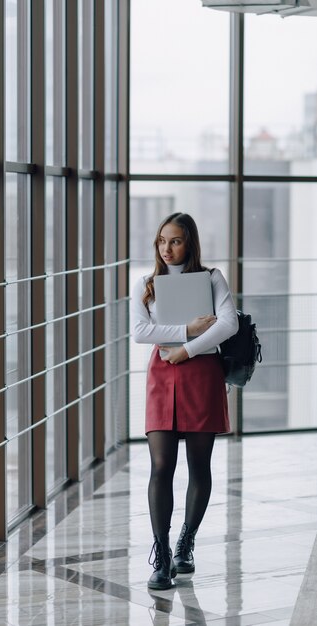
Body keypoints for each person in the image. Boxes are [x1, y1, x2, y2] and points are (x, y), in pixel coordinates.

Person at [131, 212, 238, 590]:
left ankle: (185, 544)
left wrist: (186, 350)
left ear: (189, 243)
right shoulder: (146, 284)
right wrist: (187, 330)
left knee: (199, 464)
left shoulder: (211, 279)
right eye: (162, 241)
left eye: (175, 241)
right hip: (163, 375)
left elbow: (229, 324)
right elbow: (141, 332)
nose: (167, 248)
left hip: (200, 374)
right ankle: (161, 557)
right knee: (161, 465)